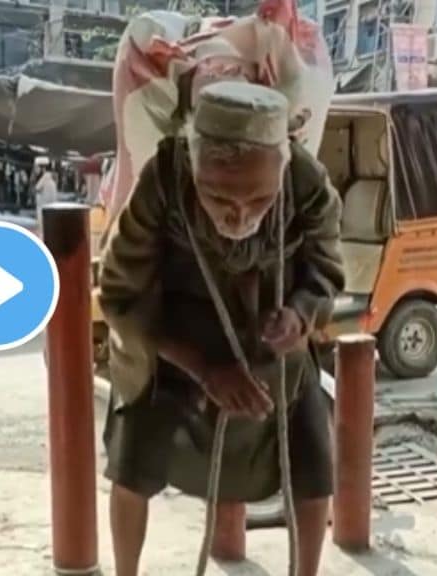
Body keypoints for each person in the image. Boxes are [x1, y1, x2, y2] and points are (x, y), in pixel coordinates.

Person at [98, 82, 344, 576]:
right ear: (194, 168)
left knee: (315, 458)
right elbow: (121, 293)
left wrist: (299, 315)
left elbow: (326, 272)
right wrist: (204, 368)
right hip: (173, 346)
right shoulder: (163, 181)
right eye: (219, 198)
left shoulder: (305, 182)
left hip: (273, 345)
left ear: (281, 166)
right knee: (132, 456)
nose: (239, 215)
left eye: (259, 201)